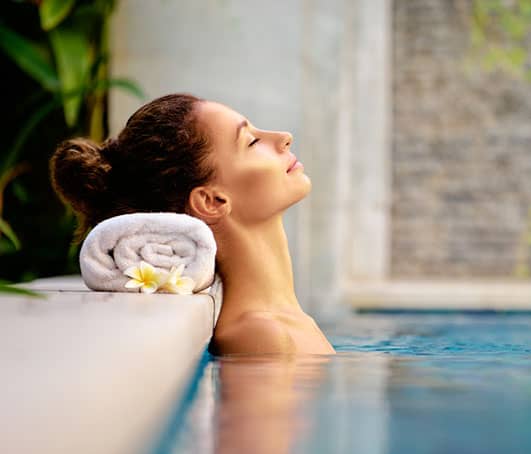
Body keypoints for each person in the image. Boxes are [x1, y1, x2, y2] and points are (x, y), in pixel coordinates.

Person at [49, 93, 335, 356]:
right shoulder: (259, 335)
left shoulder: (287, 324)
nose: (284, 138)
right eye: (251, 142)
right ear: (212, 201)